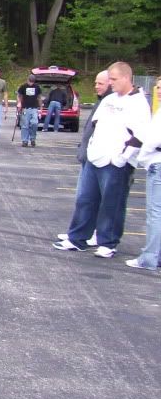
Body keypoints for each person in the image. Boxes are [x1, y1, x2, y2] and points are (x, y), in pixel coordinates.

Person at [53, 62, 151, 258]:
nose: (111, 84)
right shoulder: (108, 100)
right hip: (95, 158)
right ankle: (77, 238)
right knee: (85, 200)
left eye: (113, 80)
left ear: (126, 78)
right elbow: (95, 125)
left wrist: (123, 158)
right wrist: (90, 149)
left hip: (116, 163)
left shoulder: (138, 103)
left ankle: (108, 242)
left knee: (112, 204)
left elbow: (140, 136)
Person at [58, 70, 112, 248]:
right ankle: (80, 231)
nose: (96, 86)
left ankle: (95, 233)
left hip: (102, 158)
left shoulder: (111, 103)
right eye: (96, 83)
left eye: (100, 83)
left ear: (111, 83)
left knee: (97, 199)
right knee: (84, 198)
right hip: (89, 155)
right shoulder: (102, 101)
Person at [127, 101, 161, 270]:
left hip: (157, 163)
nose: (160, 91)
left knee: (155, 213)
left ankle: (149, 258)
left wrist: (143, 156)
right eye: (159, 87)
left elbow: (153, 139)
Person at [16, 73, 42, 148]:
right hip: (25, 108)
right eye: (30, 82)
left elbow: (39, 97)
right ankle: (25, 141)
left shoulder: (37, 87)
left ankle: (33, 138)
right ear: (28, 80)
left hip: (34, 108)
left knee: (34, 123)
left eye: (32, 82)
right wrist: (19, 103)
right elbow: (19, 95)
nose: (31, 83)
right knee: (25, 125)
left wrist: (41, 108)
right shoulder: (23, 86)